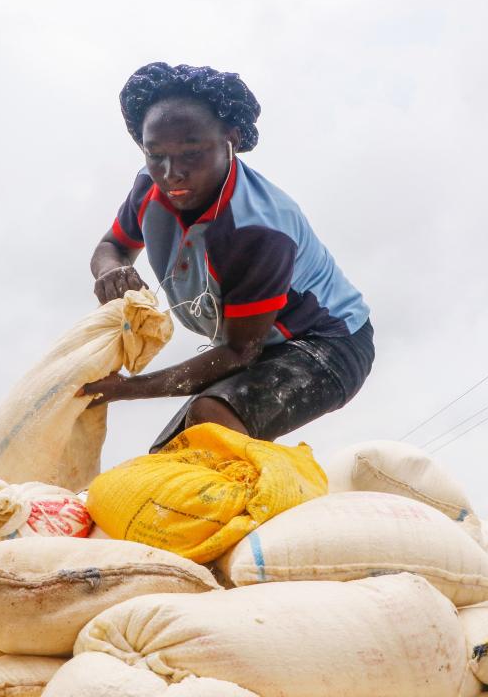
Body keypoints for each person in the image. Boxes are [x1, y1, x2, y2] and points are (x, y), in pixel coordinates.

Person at [81, 62, 374, 452]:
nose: (172, 173)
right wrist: (112, 271)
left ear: (230, 139)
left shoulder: (260, 231)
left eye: (192, 152)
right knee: (167, 456)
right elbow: (111, 247)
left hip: (329, 344)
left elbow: (240, 352)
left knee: (210, 422)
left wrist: (128, 389)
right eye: (156, 154)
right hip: (253, 345)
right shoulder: (148, 187)